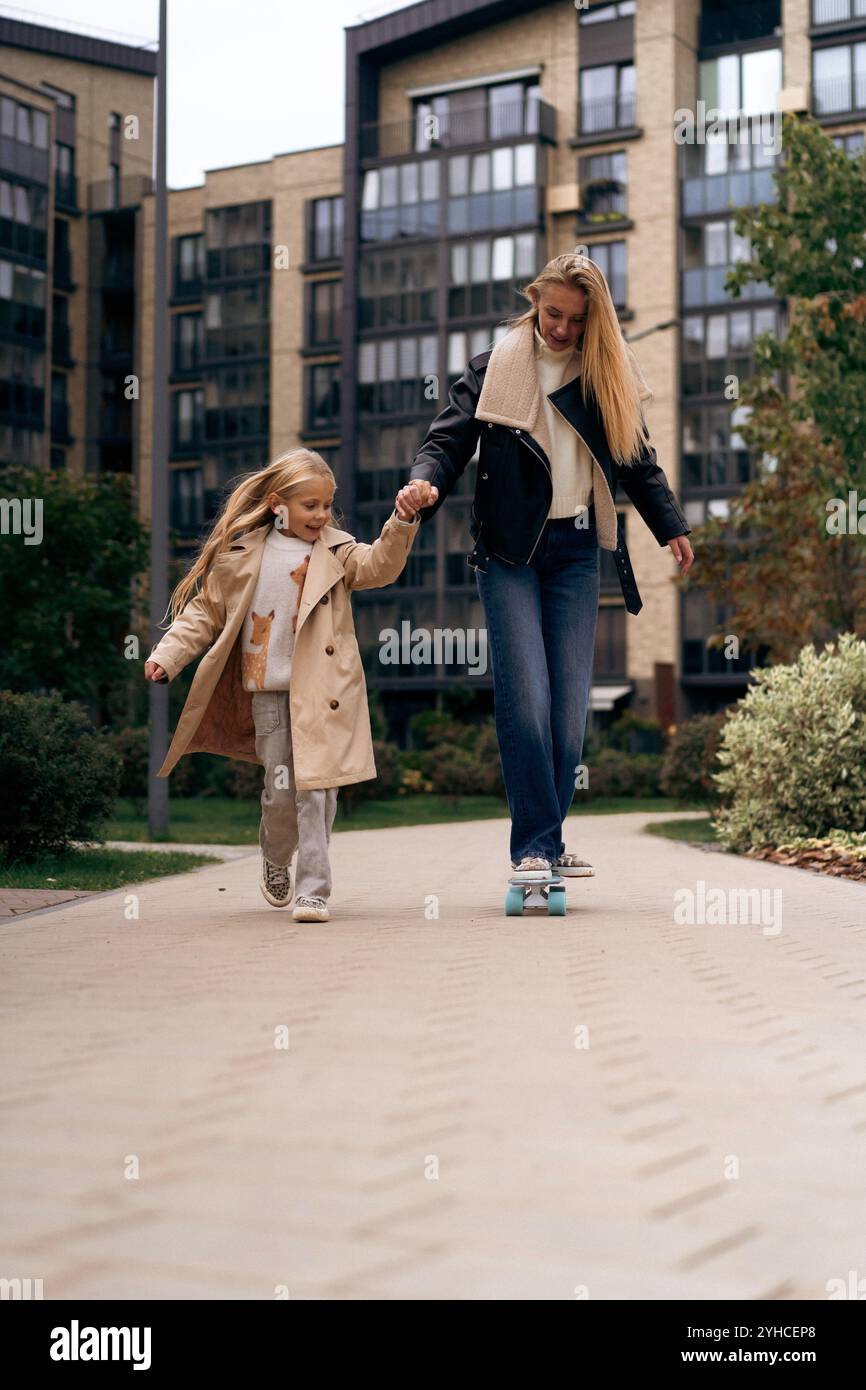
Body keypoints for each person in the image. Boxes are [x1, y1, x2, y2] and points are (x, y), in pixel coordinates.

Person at [407, 251, 694, 883]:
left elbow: (637, 460)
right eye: (552, 312)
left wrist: (670, 525)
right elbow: (446, 442)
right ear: (536, 299)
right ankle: (533, 849)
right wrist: (424, 484)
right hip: (509, 553)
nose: (560, 329)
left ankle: (550, 837)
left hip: (574, 554)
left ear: (595, 322)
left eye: (575, 320)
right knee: (528, 698)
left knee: (569, 713)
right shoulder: (495, 367)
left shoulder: (603, 380)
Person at [144, 449, 436, 921]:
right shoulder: (241, 556)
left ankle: (313, 891)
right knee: (281, 794)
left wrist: (402, 520)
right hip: (270, 695)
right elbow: (204, 611)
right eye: (311, 506)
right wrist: (167, 655)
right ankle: (276, 856)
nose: (322, 515)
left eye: (327, 505)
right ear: (278, 503)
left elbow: (381, 566)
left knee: (318, 792)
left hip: (325, 693)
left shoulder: (338, 553)